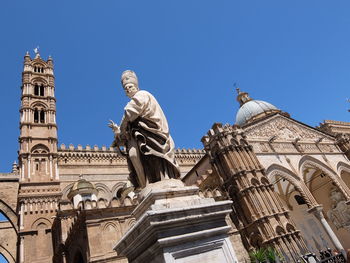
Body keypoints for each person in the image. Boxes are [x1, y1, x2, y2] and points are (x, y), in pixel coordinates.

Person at [109, 70, 180, 189]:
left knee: (144, 156)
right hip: (143, 136)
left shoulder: (142, 94)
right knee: (134, 155)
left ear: (136, 86)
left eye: (130, 86)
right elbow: (127, 125)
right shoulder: (133, 101)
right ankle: (146, 184)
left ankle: (156, 181)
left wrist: (121, 128)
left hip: (152, 135)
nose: (128, 89)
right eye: (125, 88)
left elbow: (130, 112)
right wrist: (119, 133)